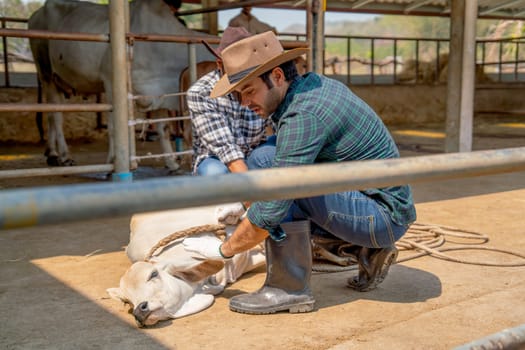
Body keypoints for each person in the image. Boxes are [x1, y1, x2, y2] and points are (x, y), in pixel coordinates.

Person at [183, 31, 417, 315]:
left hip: (380, 217)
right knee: (264, 158)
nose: (245, 103)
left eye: (249, 91)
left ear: (278, 76)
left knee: (269, 174)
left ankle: (287, 288)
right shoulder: (311, 87)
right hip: (374, 202)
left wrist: (224, 250)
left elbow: (272, 207)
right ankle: (360, 250)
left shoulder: (304, 115)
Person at [186, 26, 276, 177]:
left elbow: (278, 121)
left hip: (255, 150)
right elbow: (225, 148)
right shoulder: (201, 93)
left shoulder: (261, 83)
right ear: (220, 64)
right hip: (216, 158)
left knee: (274, 151)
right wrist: (250, 196)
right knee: (214, 172)